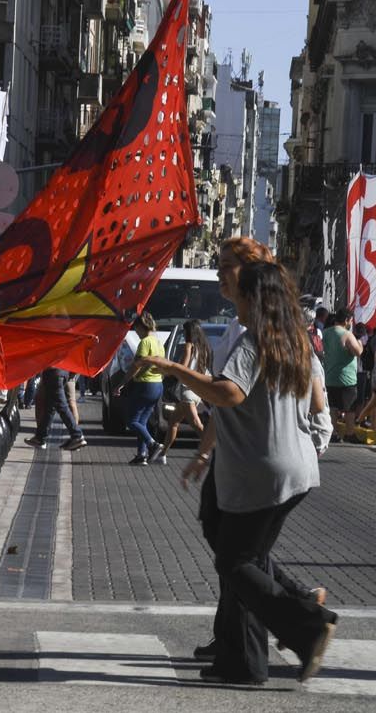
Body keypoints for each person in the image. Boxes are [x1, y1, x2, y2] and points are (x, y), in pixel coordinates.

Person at [140, 261, 337, 685]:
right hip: (295, 468)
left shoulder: (255, 341)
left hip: (262, 472)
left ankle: (306, 625)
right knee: (247, 560)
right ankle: (245, 660)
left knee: (235, 561)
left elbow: (228, 392)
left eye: (240, 293)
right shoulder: (293, 340)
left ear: (253, 298)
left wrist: (174, 368)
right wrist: (205, 455)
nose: (235, 302)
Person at [154, 320, 212, 467]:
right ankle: (163, 454)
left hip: (187, 390)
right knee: (173, 422)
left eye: (185, 332)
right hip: (196, 389)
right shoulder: (204, 348)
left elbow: (183, 366)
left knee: (197, 425)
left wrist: (169, 370)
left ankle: (213, 452)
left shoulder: (189, 346)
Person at [114, 312, 165, 465]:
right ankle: (141, 455)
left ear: (140, 326)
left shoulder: (145, 342)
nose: (135, 332)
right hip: (157, 385)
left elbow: (136, 366)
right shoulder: (158, 342)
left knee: (132, 421)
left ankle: (152, 444)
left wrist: (122, 383)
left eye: (135, 328)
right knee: (142, 422)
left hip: (145, 385)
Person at [322, 307, 364, 441]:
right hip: (347, 378)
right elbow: (357, 352)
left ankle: (333, 433)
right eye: (350, 320)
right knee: (349, 408)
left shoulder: (325, 333)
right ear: (347, 320)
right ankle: (349, 433)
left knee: (333, 407)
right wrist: (360, 344)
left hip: (329, 376)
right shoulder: (347, 334)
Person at [24, 367, 88, 452]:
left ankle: (77, 435)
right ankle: (40, 438)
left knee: (61, 406)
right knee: (50, 407)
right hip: (62, 371)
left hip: (53, 372)